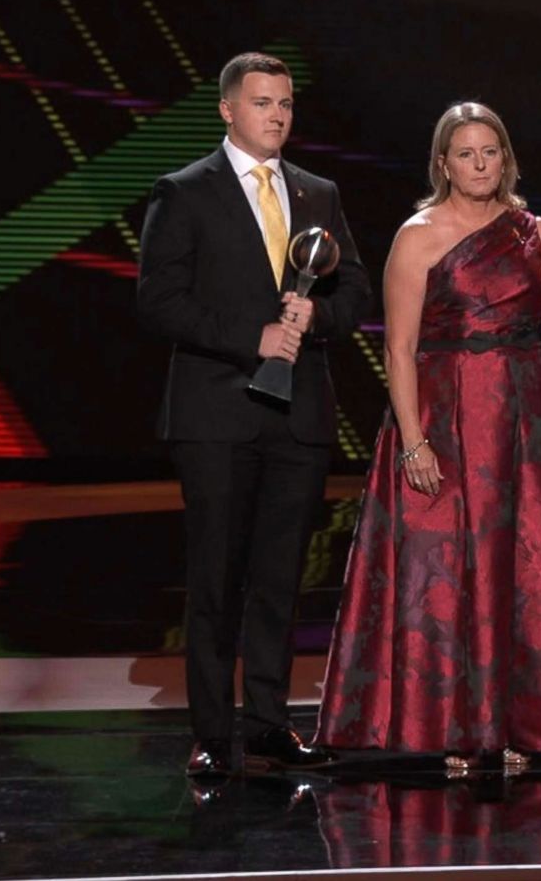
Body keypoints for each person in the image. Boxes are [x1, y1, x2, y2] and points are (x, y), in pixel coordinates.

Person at [315, 103, 541, 773]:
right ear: (442, 163)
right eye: (465, 154)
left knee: (522, 571)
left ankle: (511, 727)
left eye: (490, 153)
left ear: (506, 158)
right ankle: (447, 727)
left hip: (523, 429)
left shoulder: (536, 234)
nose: (479, 165)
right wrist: (414, 442)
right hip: (444, 424)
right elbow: (400, 349)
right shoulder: (417, 235)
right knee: (441, 576)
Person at [136, 52, 371, 777]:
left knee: (279, 577)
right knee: (216, 577)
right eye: (263, 102)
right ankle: (212, 732)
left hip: (296, 416)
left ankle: (268, 722)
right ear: (228, 110)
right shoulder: (184, 192)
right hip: (217, 415)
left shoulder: (317, 192)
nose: (277, 114)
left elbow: (354, 290)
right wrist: (253, 338)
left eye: (286, 103)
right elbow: (159, 301)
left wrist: (318, 314)